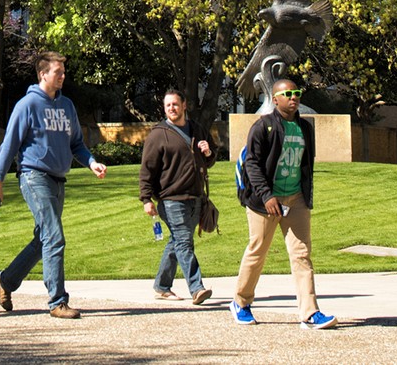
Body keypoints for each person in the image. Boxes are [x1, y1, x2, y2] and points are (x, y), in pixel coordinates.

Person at [0, 51, 108, 320]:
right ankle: (57, 301)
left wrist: (91, 163)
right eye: (58, 72)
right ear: (43, 74)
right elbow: (9, 147)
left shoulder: (67, 106)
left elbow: (76, 143)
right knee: (55, 236)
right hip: (34, 176)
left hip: (58, 179)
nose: (63, 76)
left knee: (43, 239)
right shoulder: (27, 105)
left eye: (63, 72)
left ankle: (6, 281)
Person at [231, 78, 337, 330]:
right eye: (287, 94)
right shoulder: (263, 126)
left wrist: (304, 195)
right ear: (275, 99)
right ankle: (240, 302)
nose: (293, 97)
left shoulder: (305, 128)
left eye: (296, 93)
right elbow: (252, 165)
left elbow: (305, 165)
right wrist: (267, 196)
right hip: (265, 201)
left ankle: (310, 313)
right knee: (258, 250)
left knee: (302, 254)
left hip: (295, 199)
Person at [138, 89, 217, 304]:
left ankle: (162, 286)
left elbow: (210, 160)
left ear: (184, 106)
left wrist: (208, 152)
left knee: (177, 242)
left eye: (175, 104)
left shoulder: (197, 130)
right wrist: (146, 199)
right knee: (184, 242)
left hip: (196, 197)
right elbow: (147, 169)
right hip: (171, 198)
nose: (171, 108)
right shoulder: (158, 134)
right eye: (168, 106)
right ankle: (197, 287)